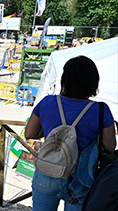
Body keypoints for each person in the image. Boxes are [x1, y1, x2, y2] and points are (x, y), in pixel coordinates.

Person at [24, 56, 115, 211]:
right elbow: (110, 147)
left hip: (49, 169)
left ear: (64, 79)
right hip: (80, 175)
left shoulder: (47, 102)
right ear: (93, 81)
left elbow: (29, 133)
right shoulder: (100, 109)